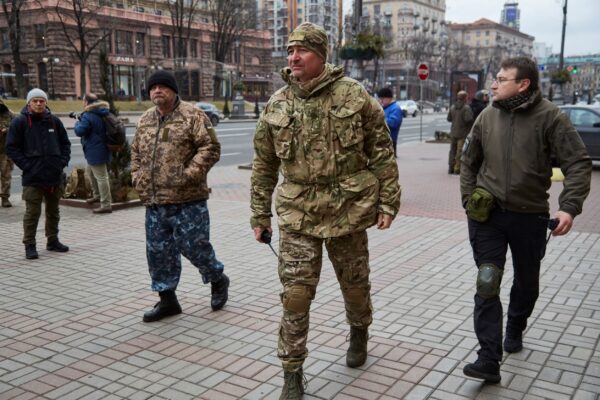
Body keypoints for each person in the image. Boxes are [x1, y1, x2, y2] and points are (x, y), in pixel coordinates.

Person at [250, 22, 401, 399]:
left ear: (322, 56)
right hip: (298, 214)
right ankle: (292, 372)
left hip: (348, 211)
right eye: (289, 51)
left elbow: (382, 152)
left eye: (302, 51)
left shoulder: (353, 96)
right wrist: (259, 215)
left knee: (355, 287)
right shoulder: (278, 103)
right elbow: (264, 165)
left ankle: (359, 330)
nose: (293, 57)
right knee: (296, 295)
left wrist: (388, 201)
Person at [461, 57, 592, 383]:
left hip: (530, 217)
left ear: (523, 84)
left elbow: (578, 163)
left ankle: (516, 325)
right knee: (488, 280)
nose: (494, 84)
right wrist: (468, 203)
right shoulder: (487, 116)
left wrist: (568, 207)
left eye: (502, 79)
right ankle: (489, 358)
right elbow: (468, 161)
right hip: (487, 216)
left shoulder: (550, 117)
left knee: (526, 283)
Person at [131, 70, 229, 323]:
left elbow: (211, 147)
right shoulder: (144, 120)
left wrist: (189, 174)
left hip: (188, 199)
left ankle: (217, 278)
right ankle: (167, 300)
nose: (157, 91)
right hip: (155, 201)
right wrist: (137, 177)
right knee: (158, 252)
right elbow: (136, 153)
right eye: (153, 88)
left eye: (163, 87)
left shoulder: (192, 115)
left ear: (174, 90)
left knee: (194, 246)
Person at [5, 88, 71, 260]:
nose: (39, 103)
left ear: (46, 102)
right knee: (32, 213)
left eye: (42, 100)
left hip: (54, 176)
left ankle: (53, 240)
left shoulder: (54, 122)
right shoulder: (20, 122)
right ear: (29, 103)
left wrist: (61, 163)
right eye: (35, 101)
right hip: (33, 177)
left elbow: (65, 144)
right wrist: (27, 165)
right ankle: (30, 245)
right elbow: (11, 148)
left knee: (53, 211)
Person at [74, 93, 113, 213]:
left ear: (86, 102)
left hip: (95, 150)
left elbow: (80, 131)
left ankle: (106, 204)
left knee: (102, 177)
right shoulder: (102, 112)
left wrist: (76, 122)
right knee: (90, 172)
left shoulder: (89, 114)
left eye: (83, 100)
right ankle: (97, 196)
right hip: (101, 148)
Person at [447, 90, 473, 175]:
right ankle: (457, 169)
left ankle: (450, 168)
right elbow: (468, 120)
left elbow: (449, 119)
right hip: (462, 134)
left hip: (453, 132)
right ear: (465, 98)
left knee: (452, 151)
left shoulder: (452, 107)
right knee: (460, 151)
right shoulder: (466, 108)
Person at [377, 87, 403, 157]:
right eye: (380, 99)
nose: (381, 101)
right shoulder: (385, 108)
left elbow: (393, 123)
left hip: (389, 142)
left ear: (389, 98)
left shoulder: (395, 108)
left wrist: (379, 118)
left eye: (382, 99)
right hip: (383, 141)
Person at [0, 99, 14, 207]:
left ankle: (5, 198)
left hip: (5, 151)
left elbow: (16, 128)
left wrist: (6, 130)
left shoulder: (9, 114)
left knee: (6, 176)